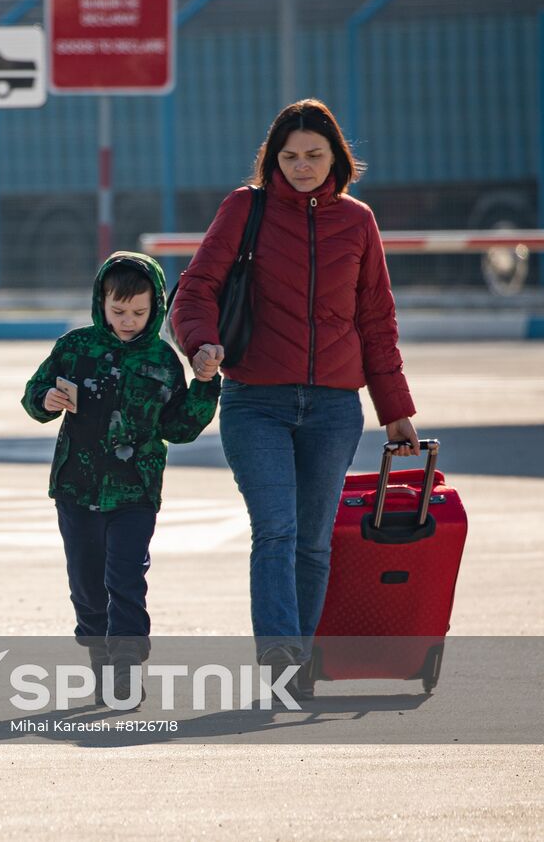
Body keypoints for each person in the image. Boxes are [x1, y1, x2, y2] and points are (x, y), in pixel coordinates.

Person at [170, 98, 418, 696]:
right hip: (256, 401)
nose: (301, 166)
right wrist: (201, 344)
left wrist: (396, 410)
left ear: (335, 156)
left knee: (312, 540)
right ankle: (280, 654)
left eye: (313, 155)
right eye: (289, 157)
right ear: (272, 160)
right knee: (276, 530)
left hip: (334, 408)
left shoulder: (358, 222)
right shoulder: (244, 208)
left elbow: (376, 318)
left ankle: (299, 665)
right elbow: (196, 288)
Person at [22, 252, 220, 704]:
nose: (128, 320)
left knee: (125, 582)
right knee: (88, 589)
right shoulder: (74, 348)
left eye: (138, 312)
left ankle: (127, 669)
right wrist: (47, 399)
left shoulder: (163, 360)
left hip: (135, 493)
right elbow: (33, 396)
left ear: (156, 308)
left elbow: (180, 428)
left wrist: (207, 384)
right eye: (118, 311)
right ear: (101, 302)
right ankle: (100, 663)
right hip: (76, 490)